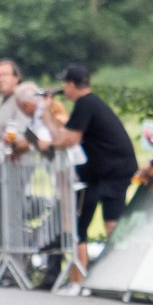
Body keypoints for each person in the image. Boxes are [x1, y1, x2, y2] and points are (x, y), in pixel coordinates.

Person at [46, 64, 137, 286]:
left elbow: (70, 139)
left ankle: (118, 275)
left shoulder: (85, 103)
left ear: (70, 84)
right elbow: (65, 135)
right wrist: (47, 113)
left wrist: (48, 142)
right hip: (103, 171)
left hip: (112, 170)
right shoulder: (90, 103)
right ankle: (88, 278)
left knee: (110, 223)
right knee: (91, 224)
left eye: (64, 84)